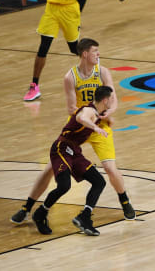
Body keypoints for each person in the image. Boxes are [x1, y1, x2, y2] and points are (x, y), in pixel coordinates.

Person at [11, 37, 136, 225]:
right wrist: (90, 115)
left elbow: (113, 98)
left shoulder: (102, 72)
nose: (98, 54)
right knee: (50, 168)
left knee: (110, 168)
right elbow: (71, 108)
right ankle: (27, 207)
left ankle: (124, 200)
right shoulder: (70, 77)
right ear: (85, 54)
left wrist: (108, 112)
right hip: (80, 123)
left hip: (100, 126)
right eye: (95, 51)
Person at [29, 86, 113, 236]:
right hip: (62, 148)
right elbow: (81, 118)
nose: (112, 102)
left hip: (74, 151)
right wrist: (95, 127)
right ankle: (40, 214)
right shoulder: (89, 111)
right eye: (111, 99)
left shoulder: (97, 113)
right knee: (64, 186)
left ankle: (84, 217)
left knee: (99, 181)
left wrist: (104, 120)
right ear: (105, 100)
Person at [20, 0, 89, 101]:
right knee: (43, 46)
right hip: (51, 9)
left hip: (69, 10)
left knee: (74, 48)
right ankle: (34, 85)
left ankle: (93, 69)